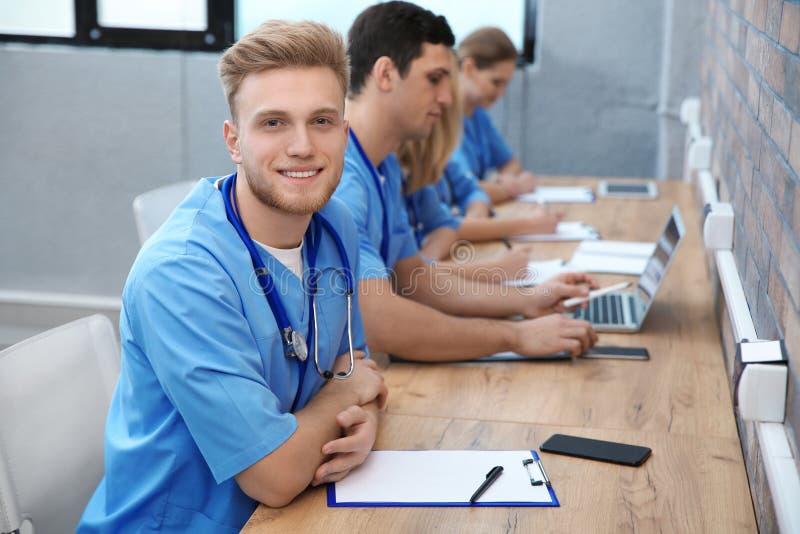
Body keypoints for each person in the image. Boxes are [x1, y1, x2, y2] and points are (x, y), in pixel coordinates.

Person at [78, 21, 387, 533]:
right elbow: (274, 475)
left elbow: (355, 365)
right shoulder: (179, 276)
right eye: (273, 123)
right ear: (234, 141)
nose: (302, 145)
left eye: (321, 121)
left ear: (343, 133)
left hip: (297, 509)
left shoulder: (334, 226)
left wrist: (365, 424)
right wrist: (342, 398)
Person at [334, 1, 598, 362]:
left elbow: (417, 280)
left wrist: (526, 299)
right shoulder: (340, 176)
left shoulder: (384, 165)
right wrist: (516, 336)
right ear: (385, 74)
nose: (447, 98)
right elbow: (381, 321)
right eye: (434, 79)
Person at [397, 51, 559, 274]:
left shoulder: (428, 154)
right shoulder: (385, 170)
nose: (445, 98)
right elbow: (402, 276)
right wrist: (495, 266)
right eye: (433, 81)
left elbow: (456, 210)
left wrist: (477, 209)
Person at [455, 26, 539, 205]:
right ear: (469, 68)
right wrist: (516, 187)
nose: (501, 93)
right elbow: (462, 189)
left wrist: (503, 182)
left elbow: (511, 164)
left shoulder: (479, 115)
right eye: (496, 82)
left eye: (505, 84)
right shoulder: (439, 118)